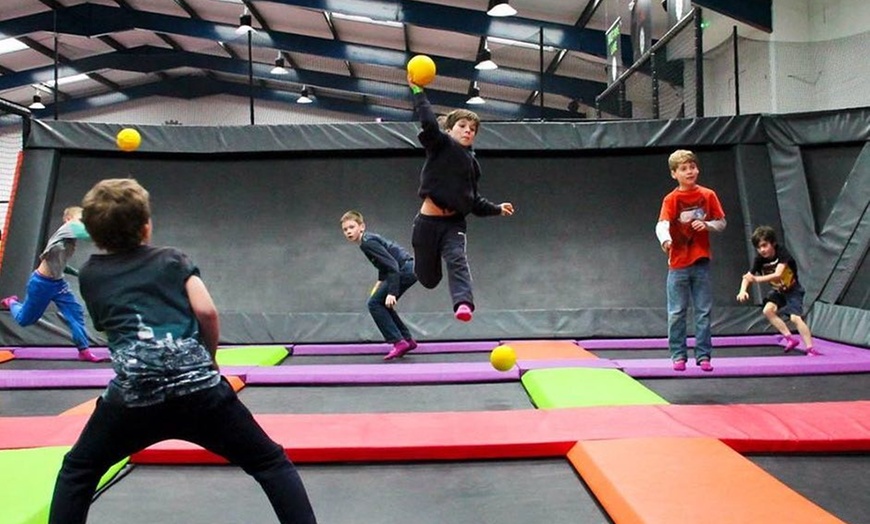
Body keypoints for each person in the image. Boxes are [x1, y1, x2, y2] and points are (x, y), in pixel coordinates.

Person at [48, 179, 316, 524]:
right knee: (269, 463)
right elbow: (206, 311)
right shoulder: (172, 260)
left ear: (95, 235)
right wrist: (210, 359)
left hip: (132, 401)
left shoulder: (91, 274)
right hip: (201, 395)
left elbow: (105, 325)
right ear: (146, 226)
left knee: (79, 471)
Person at [407, 75, 514, 322]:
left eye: (472, 129)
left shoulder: (473, 165)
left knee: (457, 260)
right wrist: (417, 91)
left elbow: (474, 202)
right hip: (427, 223)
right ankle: (417, 266)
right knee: (428, 279)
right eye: (462, 126)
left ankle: (463, 304)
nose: (468, 130)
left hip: (453, 224)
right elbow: (429, 124)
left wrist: (496, 208)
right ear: (449, 130)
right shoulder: (441, 145)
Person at [655, 150, 726, 372]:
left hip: (701, 262)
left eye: (692, 167)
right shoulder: (672, 199)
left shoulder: (708, 195)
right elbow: (662, 224)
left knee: (703, 311)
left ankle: (703, 355)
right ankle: (678, 355)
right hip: (678, 264)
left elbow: (721, 222)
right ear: (674, 174)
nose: (690, 172)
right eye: (684, 169)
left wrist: (707, 226)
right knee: (677, 312)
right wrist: (666, 240)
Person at [1, 206, 103, 362]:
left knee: (75, 314)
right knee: (25, 320)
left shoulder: (68, 240)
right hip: (41, 284)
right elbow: (88, 235)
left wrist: (76, 273)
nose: (84, 222)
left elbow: (58, 263)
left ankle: (84, 350)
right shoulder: (67, 228)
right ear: (69, 219)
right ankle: (12, 302)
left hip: (58, 284)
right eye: (81, 219)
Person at [340, 210, 418, 360]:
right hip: (409, 269)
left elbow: (393, 265)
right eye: (345, 229)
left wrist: (392, 292)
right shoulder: (367, 241)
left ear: (361, 226)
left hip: (404, 269)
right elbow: (384, 264)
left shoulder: (368, 242)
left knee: (374, 304)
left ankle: (398, 341)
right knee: (380, 303)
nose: (349, 232)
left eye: (351, 227)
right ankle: (407, 340)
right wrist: (379, 283)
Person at [737, 225, 818, 355]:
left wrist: (757, 280)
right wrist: (743, 290)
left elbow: (778, 274)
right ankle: (790, 338)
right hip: (778, 291)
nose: (762, 250)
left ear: (773, 243)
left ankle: (810, 348)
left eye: (765, 245)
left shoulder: (782, 252)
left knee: (795, 318)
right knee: (768, 310)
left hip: (793, 290)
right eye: (759, 247)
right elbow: (748, 277)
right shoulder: (759, 260)